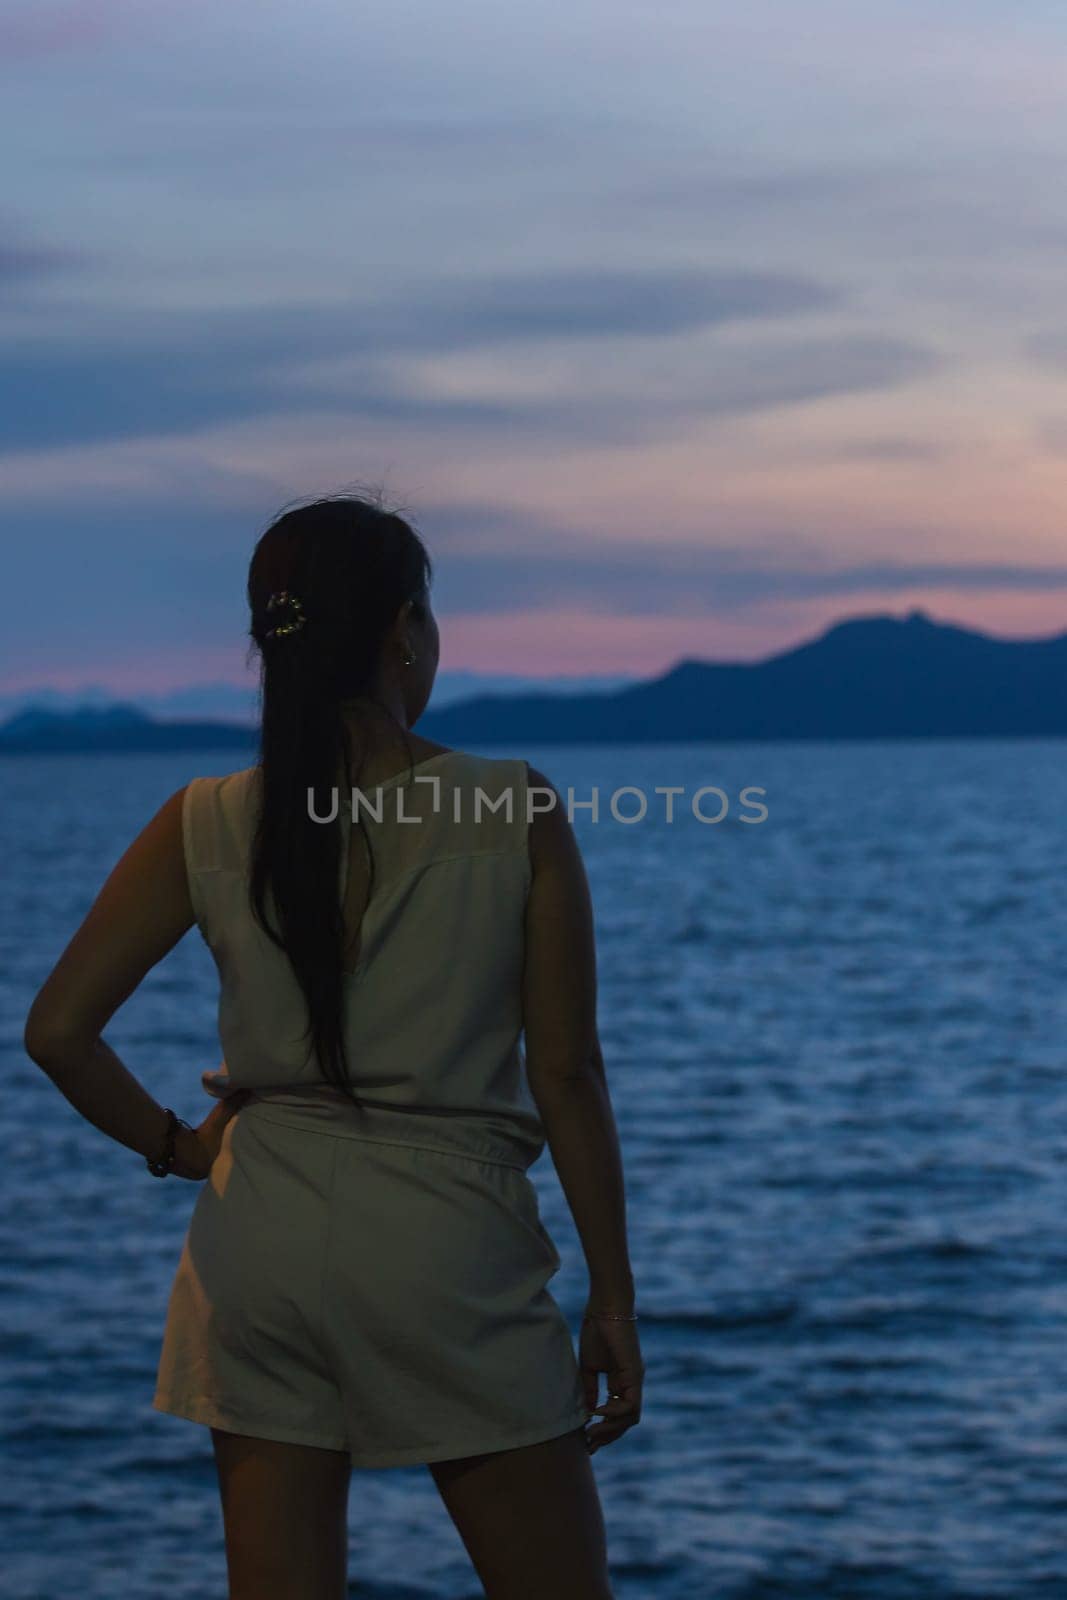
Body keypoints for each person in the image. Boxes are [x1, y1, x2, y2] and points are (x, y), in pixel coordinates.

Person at [23, 490, 643, 1600]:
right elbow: (565, 1073)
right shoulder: (511, 806)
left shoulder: (203, 816)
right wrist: (611, 1297)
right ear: (405, 629)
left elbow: (59, 1033)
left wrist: (179, 1147)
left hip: (253, 1238)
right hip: (443, 1243)